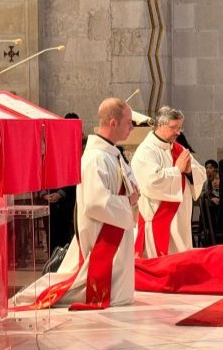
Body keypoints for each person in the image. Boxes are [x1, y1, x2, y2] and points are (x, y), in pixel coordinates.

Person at [13, 98, 139, 310]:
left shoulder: (112, 154)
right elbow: (95, 203)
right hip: (101, 235)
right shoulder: (95, 158)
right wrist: (128, 202)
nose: (132, 127)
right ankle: (29, 297)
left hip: (115, 230)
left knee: (112, 290)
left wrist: (132, 197)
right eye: (129, 122)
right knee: (76, 285)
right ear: (113, 123)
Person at [132, 106, 207, 258]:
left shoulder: (178, 149)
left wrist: (189, 171)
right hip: (158, 219)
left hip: (180, 220)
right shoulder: (146, 151)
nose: (178, 132)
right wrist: (177, 170)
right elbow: (150, 182)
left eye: (180, 127)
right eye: (174, 128)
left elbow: (201, 172)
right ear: (160, 125)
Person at [42, 112, 80, 251]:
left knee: (68, 238)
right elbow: (45, 168)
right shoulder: (54, 143)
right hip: (51, 198)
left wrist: (62, 193)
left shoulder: (79, 146)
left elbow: (75, 174)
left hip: (70, 201)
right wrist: (44, 193)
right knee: (53, 235)